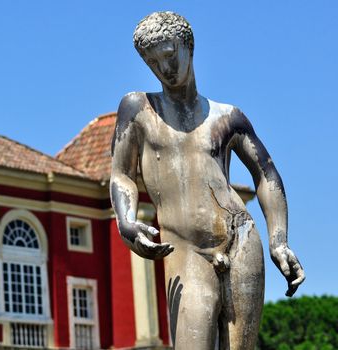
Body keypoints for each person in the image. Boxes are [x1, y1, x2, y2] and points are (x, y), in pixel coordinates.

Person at [110, 11, 305, 350]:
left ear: (188, 46)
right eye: (153, 63)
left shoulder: (227, 116)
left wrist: (279, 241)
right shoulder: (139, 109)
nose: (164, 69)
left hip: (241, 239)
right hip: (185, 250)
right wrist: (126, 222)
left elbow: (265, 173)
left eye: (169, 56)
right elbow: (122, 175)